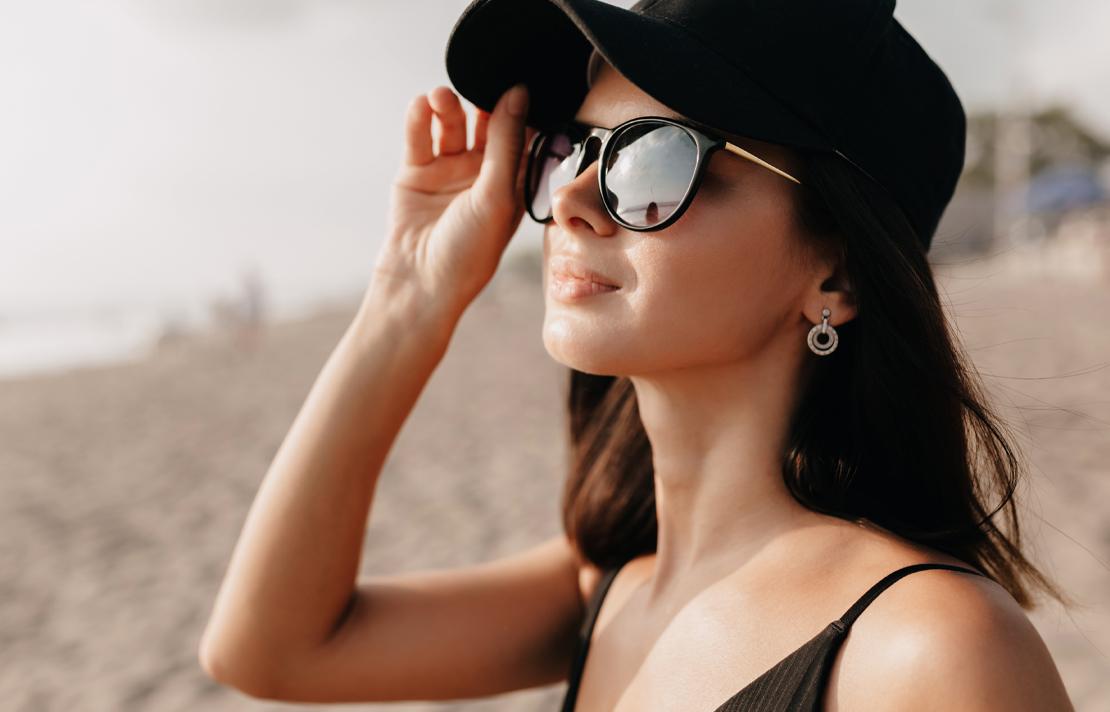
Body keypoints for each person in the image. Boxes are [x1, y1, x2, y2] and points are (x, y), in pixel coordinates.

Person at [198, 0, 1076, 709]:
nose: (574, 197)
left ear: (836, 274)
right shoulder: (606, 589)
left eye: (654, 159)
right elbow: (269, 652)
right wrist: (409, 295)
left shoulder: (930, 650)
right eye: (576, 147)